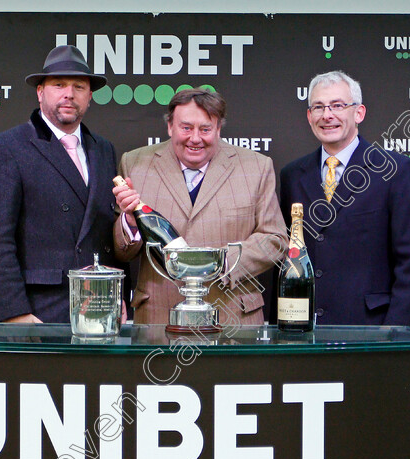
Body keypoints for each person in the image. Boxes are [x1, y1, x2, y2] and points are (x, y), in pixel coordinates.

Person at [0, 45, 122, 323]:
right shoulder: (6, 147)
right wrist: (13, 313)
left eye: (79, 86)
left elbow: (105, 233)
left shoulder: (104, 149)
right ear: (40, 92)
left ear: (89, 97)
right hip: (38, 311)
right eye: (59, 85)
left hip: (100, 309)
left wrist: (117, 294)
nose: (69, 93)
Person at [113, 88, 287, 325]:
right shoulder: (134, 163)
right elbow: (122, 252)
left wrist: (218, 262)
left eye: (205, 129)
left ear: (218, 129)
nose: (195, 138)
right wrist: (131, 224)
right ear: (170, 127)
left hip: (233, 318)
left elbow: (275, 240)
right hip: (158, 318)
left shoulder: (257, 167)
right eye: (186, 128)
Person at [280, 70, 410, 327]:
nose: (327, 115)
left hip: (371, 330)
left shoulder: (395, 170)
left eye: (338, 105)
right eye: (318, 107)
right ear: (309, 116)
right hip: (303, 333)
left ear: (359, 113)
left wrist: (395, 335)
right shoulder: (292, 175)